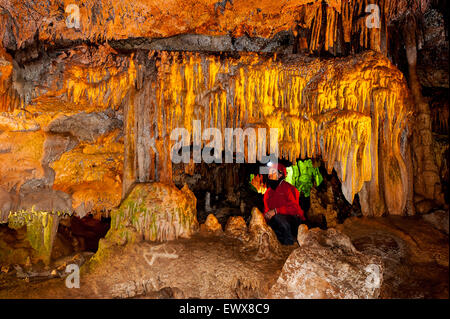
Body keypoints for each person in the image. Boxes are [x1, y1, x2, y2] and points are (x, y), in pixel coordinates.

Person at [263, 163, 305, 245]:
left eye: (272, 172)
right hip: (278, 221)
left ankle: (291, 243)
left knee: (278, 217)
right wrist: (265, 216)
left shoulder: (289, 188)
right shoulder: (268, 193)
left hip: (293, 220)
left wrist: (276, 211)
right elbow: (266, 209)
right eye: (269, 173)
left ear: (280, 175)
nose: (269, 175)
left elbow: (294, 208)